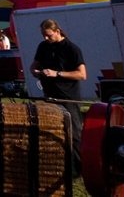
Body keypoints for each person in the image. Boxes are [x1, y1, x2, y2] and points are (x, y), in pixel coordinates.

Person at [30, 18, 87, 167]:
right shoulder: (43, 47)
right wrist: (37, 72)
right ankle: (59, 162)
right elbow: (33, 66)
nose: (45, 38)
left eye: (48, 35)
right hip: (50, 95)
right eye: (43, 35)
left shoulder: (71, 48)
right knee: (52, 130)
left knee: (74, 132)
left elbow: (82, 74)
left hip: (68, 97)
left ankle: (79, 166)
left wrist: (57, 74)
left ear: (57, 31)